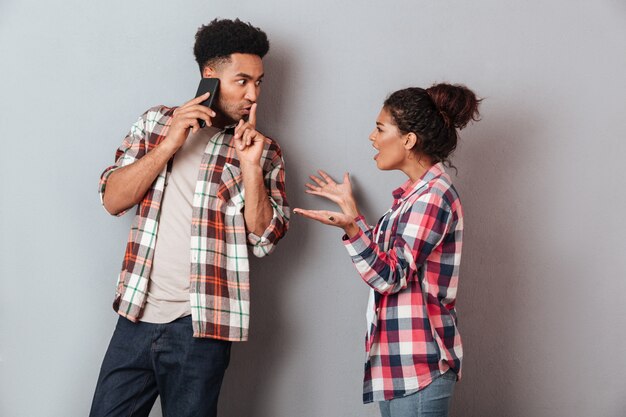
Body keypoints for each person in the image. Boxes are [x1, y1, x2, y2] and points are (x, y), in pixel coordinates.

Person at [90, 18, 289, 417]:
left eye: (259, 82)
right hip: (136, 313)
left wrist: (250, 168)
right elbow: (113, 199)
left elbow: (265, 238)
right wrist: (169, 145)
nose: (253, 95)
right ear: (209, 75)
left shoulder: (263, 151)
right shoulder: (155, 124)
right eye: (242, 81)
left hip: (201, 326)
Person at [294, 84, 480, 417]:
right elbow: (387, 261)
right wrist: (353, 215)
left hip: (420, 367)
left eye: (380, 128)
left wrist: (351, 228)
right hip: (399, 367)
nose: (372, 137)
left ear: (409, 140)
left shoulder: (432, 197)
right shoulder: (413, 196)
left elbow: (390, 277)